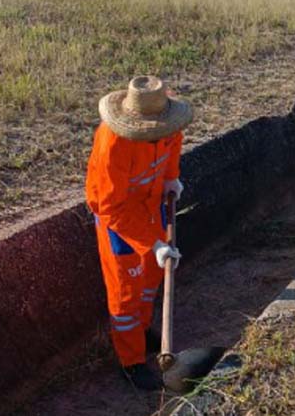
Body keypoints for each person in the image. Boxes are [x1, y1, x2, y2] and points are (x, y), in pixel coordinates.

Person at [85, 76, 193, 390]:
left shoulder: (169, 122)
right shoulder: (113, 144)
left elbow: (172, 149)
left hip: (153, 204)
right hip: (119, 219)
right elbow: (110, 208)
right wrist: (153, 243)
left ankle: (143, 330)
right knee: (126, 294)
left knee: (150, 278)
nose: (160, 135)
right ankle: (130, 361)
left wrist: (172, 179)